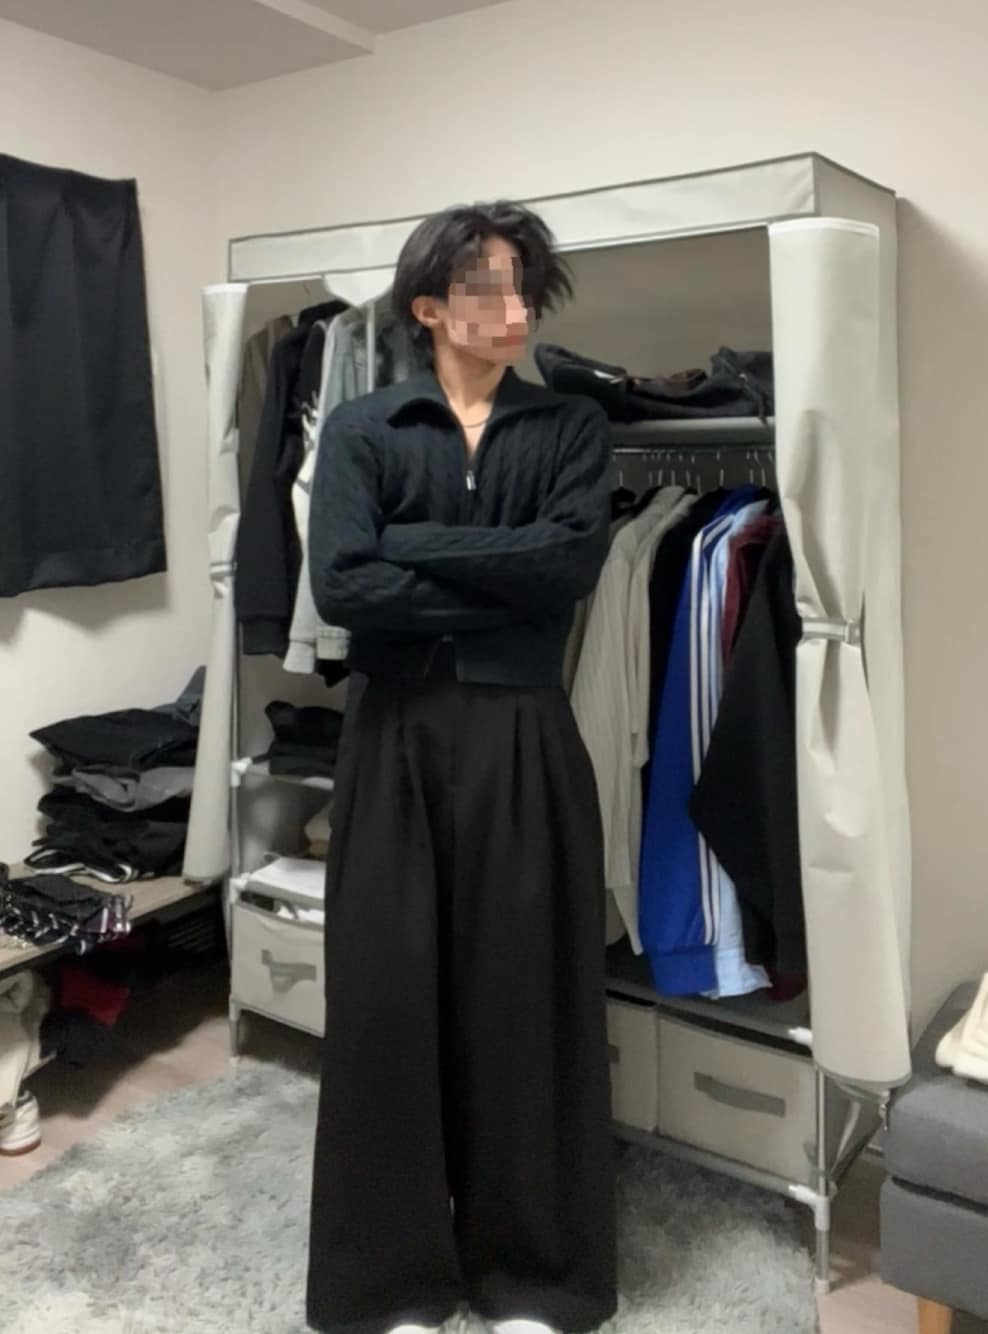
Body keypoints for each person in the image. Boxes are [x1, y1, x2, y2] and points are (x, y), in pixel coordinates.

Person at [306, 201, 617, 1334]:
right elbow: (342, 585)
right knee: (385, 995)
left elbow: (567, 567)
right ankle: (391, 1281)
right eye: (487, 284)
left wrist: (412, 547)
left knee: (522, 995)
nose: (513, 305)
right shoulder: (363, 429)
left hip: (525, 735)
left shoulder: (572, 426)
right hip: (393, 735)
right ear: (430, 305)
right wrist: (497, 572)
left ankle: (533, 1272)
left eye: (523, 283)